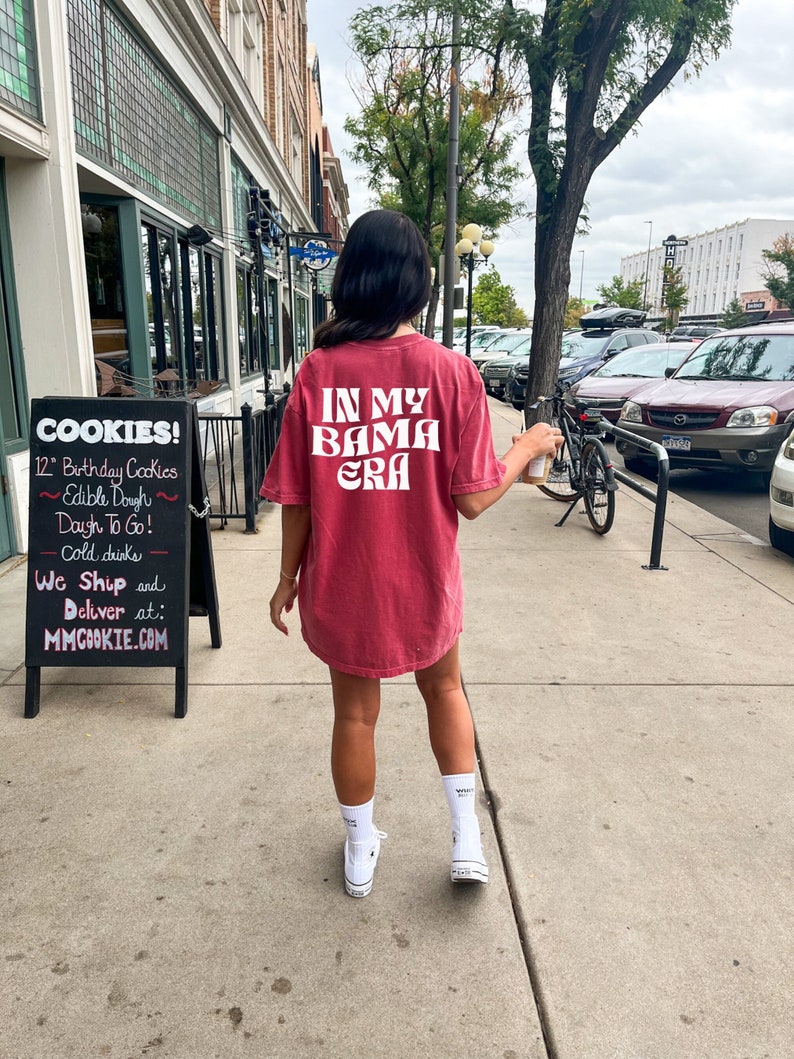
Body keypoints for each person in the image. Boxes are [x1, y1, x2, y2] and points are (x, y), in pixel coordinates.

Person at [260, 209, 562, 898]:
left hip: (341, 581)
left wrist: (286, 579)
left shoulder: (318, 373)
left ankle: (361, 850)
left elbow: (297, 497)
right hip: (424, 580)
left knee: (354, 716)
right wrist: (528, 445)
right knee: (445, 690)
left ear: (352, 280)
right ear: (418, 283)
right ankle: (466, 838)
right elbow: (476, 496)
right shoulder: (452, 373)